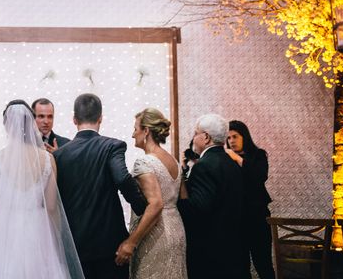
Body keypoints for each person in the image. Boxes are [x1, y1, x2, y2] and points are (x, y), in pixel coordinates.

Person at [0, 100, 84, 278]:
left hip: (4, 230)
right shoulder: (48, 159)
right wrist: (56, 240)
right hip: (38, 229)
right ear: (31, 123)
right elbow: (51, 206)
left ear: (6, 127)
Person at [53, 93, 146, 279]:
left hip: (73, 244)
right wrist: (141, 206)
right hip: (109, 244)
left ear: (74, 119)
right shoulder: (112, 146)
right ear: (101, 118)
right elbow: (122, 178)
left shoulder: (59, 155)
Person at [116, 108, 187, 279]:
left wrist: (131, 243)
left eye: (135, 129)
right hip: (176, 229)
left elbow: (156, 204)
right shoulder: (173, 161)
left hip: (155, 235)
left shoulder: (145, 162)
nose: (133, 135)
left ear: (146, 131)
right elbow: (183, 197)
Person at [178, 113, 247, 279]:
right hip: (232, 247)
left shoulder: (204, 166)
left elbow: (197, 209)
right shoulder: (231, 162)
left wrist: (180, 185)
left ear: (206, 137)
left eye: (195, 133)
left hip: (210, 251)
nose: (193, 138)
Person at [226, 120, 275, 279]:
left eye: (235, 136)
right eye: (229, 138)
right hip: (236, 219)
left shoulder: (258, 155)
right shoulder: (225, 159)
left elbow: (260, 177)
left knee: (263, 264)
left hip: (257, 218)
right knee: (240, 266)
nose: (231, 141)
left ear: (244, 136)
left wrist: (238, 159)